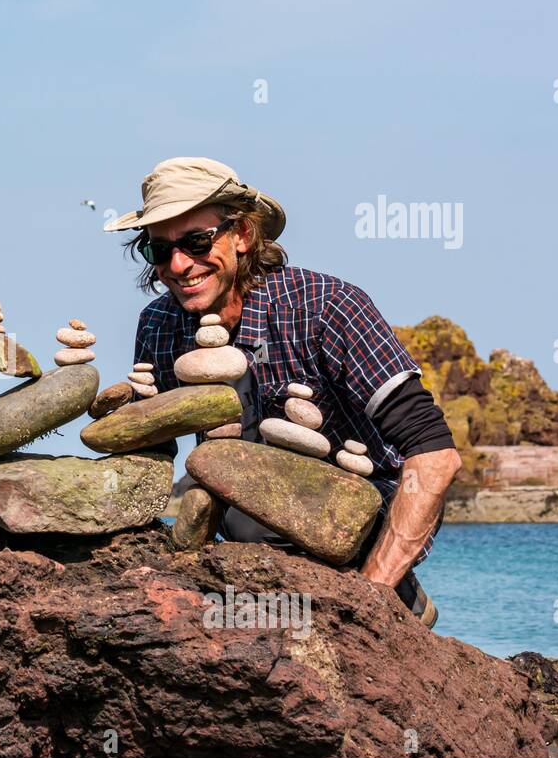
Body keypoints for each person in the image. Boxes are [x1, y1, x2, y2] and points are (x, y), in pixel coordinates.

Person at [105, 157, 460, 626]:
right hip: (241, 531)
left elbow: (435, 455)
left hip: (357, 515)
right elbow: (152, 454)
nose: (178, 264)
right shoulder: (158, 324)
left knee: (254, 515)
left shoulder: (326, 307)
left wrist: (372, 594)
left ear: (243, 236)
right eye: (159, 249)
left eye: (196, 241)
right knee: (224, 502)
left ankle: (398, 600)